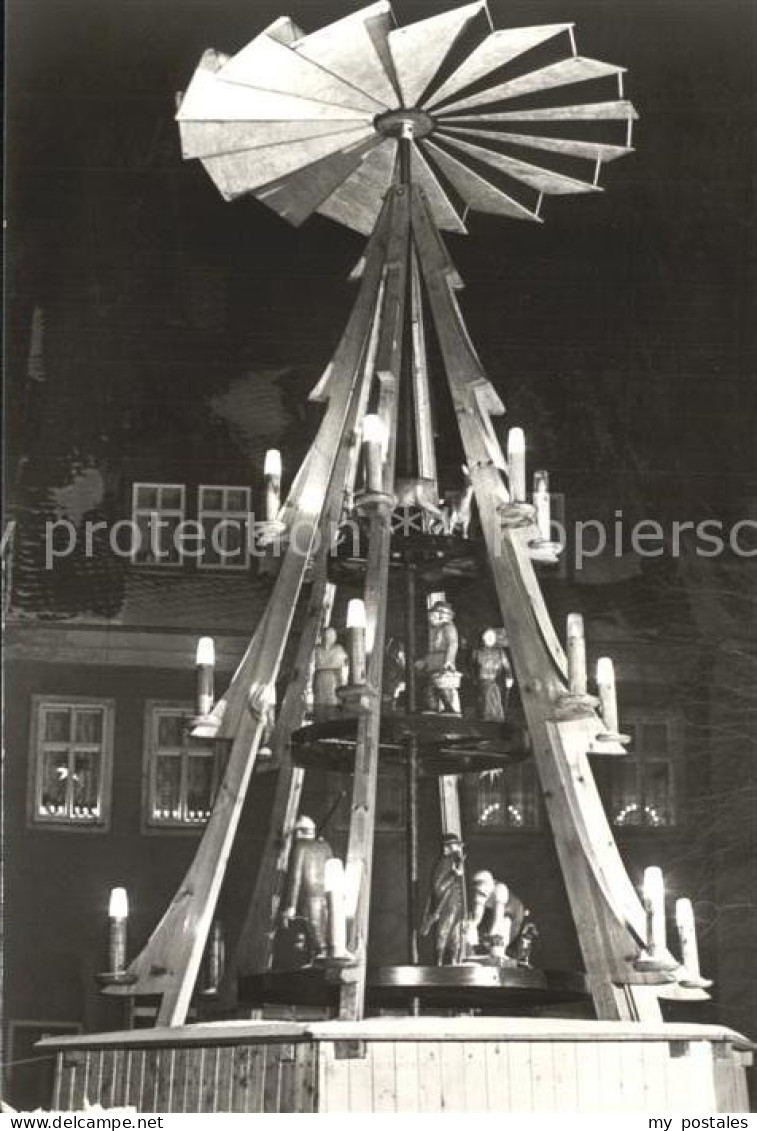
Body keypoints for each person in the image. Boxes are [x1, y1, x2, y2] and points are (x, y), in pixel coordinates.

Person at [281, 815, 333, 960]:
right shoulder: (326, 846)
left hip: (309, 897)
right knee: (322, 935)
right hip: (327, 898)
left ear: (299, 832)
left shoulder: (300, 847)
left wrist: (290, 906)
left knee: (316, 939)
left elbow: (295, 878)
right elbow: (332, 870)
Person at [420, 834, 467, 965]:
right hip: (448, 904)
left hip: (456, 905)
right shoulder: (446, 862)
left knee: (455, 934)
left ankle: (453, 960)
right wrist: (453, 874)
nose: (458, 848)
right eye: (455, 845)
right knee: (444, 931)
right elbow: (438, 885)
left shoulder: (455, 860)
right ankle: (440, 961)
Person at [416, 601, 461, 713]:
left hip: (442, 663)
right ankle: (432, 707)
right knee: (431, 686)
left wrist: (449, 661)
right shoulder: (435, 630)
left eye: (434, 614)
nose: (431, 617)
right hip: (434, 663)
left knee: (443, 686)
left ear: (442, 615)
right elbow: (432, 651)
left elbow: (453, 644)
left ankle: (450, 708)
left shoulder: (448, 627)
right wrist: (424, 661)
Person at [473, 628, 514, 721]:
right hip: (481, 682)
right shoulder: (476, 652)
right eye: (488, 637)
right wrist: (474, 679)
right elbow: (471, 666)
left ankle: (496, 719)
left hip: (495, 681)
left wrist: (509, 677)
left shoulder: (500, 652)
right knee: (485, 700)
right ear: (483, 638)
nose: (490, 639)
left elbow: (507, 666)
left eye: (492, 637)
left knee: (495, 699)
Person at [312, 627, 348, 718]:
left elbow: (344, 664)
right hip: (322, 679)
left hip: (332, 679)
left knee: (331, 705)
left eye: (329, 636)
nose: (327, 638)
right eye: (325, 636)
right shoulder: (317, 649)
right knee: (321, 705)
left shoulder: (338, 649)